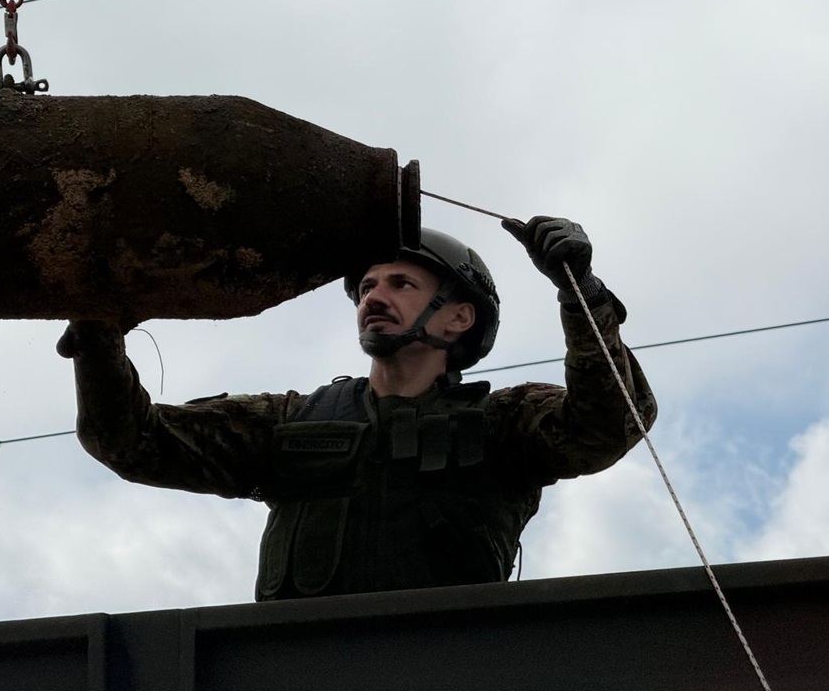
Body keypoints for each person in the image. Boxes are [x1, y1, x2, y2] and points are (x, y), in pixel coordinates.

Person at [57, 217, 656, 599]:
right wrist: (96, 328)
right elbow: (131, 442)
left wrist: (582, 295)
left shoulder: (505, 424)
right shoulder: (289, 422)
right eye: (367, 286)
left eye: (401, 284)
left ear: (458, 316)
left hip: (453, 666)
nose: (374, 296)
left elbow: (609, 427)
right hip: (300, 667)